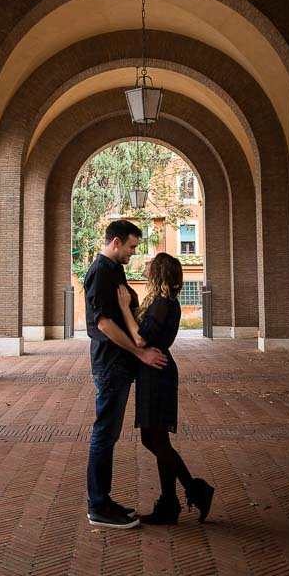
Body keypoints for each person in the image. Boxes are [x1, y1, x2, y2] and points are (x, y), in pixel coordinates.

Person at [117, 252, 214, 524]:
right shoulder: (162, 302)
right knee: (154, 439)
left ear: (158, 271)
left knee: (156, 440)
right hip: (154, 371)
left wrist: (125, 308)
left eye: (150, 263)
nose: (145, 265)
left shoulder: (163, 304)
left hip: (157, 373)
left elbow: (140, 340)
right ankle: (177, 498)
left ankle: (186, 494)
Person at [85, 219, 168, 529]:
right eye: (132, 246)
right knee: (104, 435)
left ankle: (103, 500)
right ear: (116, 242)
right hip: (111, 365)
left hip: (120, 366)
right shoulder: (100, 273)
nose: (134, 252)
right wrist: (140, 353)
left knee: (109, 435)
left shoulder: (115, 269)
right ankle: (97, 506)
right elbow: (104, 324)